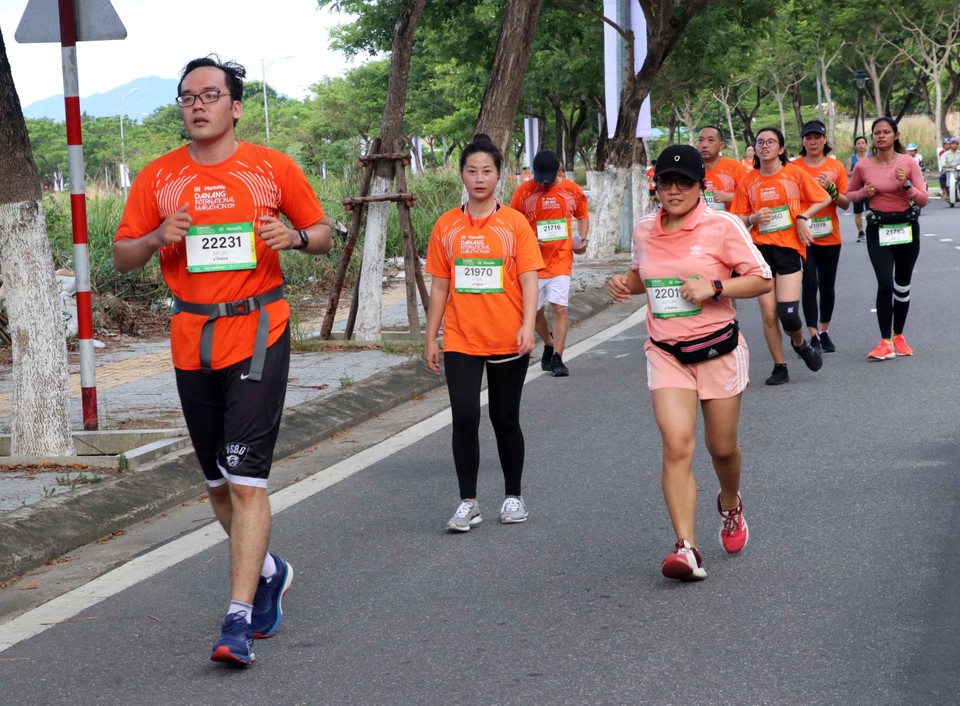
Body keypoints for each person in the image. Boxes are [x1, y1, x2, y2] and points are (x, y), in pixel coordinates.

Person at [114, 56, 333, 665]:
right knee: (215, 484)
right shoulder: (160, 178)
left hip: (260, 330)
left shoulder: (271, 168)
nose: (197, 105)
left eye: (210, 95)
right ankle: (268, 569)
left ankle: (237, 620)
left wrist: (294, 237)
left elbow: (322, 230)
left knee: (244, 480)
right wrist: (158, 238)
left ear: (235, 106)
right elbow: (122, 255)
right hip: (192, 337)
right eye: (187, 97)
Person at [607, 144, 772, 581]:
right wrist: (623, 284)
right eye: (665, 181)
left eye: (684, 181)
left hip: (718, 350)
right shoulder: (644, 231)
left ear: (702, 185)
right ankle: (686, 548)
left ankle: (731, 503)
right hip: (667, 353)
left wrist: (714, 286)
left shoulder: (723, 226)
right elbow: (645, 276)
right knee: (677, 445)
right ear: (654, 186)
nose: (674, 189)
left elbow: (760, 278)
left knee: (722, 449)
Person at [425, 134, 543, 532]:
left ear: (499, 177)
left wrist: (528, 326)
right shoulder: (446, 226)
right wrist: (432, 336)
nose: (479, 178)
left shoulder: (514, 224)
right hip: (461, 337)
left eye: (487, 171)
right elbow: (440, 285)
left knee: (504, 418)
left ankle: (514, 495)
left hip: (509, 336)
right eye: (472, 171)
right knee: (463, 417)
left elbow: (529, 280)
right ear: (462, 175)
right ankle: (468, 502)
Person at [730, 127, 831, 385]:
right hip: (760, 252)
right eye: (760, 142)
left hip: (788, 249)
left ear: (781, 149)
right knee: (768, 313)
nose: (765, 146)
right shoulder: (748, 181)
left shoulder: (795, 174)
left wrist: (802, 217)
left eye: (771, 142)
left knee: (788, 313)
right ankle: (780, 366)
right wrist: (752, 218)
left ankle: (799, 344)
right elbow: (735, 219)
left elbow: (823, 198)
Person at [847, 117, 929, 359]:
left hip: (906, 225)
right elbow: (850, 195)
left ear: (896, 135)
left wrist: (907, 186)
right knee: (885, 283)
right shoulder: (863, 166)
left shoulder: (909, 163)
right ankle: (884, 341)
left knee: (902, 286)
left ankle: (899, 336)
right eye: (877, 132)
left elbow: (923, 199)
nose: (881, 136)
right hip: (879, 228)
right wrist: (865, 192)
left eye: (886, 132)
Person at [509, 150, 590, 376]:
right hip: (531, 264)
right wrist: (527, 240)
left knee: (559, 308)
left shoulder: (572, 191)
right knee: (534, 313)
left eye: (548, 179)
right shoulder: (523, 192)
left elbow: (583, 215)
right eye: (539, 180)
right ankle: (549, 343)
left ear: (558, 171)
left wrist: (582, 240)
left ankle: (558, 359)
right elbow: (512, 223)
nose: (543, 185)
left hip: (561, 259)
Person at [797, 120, 850, 353]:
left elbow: (846, 204)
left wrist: (832, 189)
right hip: (803, 235)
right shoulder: (794, 168)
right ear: (802, 141)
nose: (812, 142)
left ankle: (825, 330)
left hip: (830, 236)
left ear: (824, 139)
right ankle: (813, 335)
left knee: (827, 286)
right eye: (808, 138)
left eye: (817, 137)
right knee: (809, 284)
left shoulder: (836, 167)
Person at [696, 125, 747, 212]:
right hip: (698, 223)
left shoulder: (733, 166)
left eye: (711, 140)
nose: (704, 145)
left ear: (721, 145)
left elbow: (751, 196)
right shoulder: (690, 169)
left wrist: (728, 197)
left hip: (729, 222)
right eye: (700, 140)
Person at [846, 136, 869, 242]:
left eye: (863, 143)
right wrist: (857, 172)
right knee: (858, 212)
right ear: (855, 146)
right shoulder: (852, 159)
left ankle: (871, 231)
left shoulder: (872, 157)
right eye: (858, 143)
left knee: (871, 211)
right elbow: (846, 173)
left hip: (870, 189)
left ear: (866, 145)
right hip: (857, 190)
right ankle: (861, 232)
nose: (861, 145)